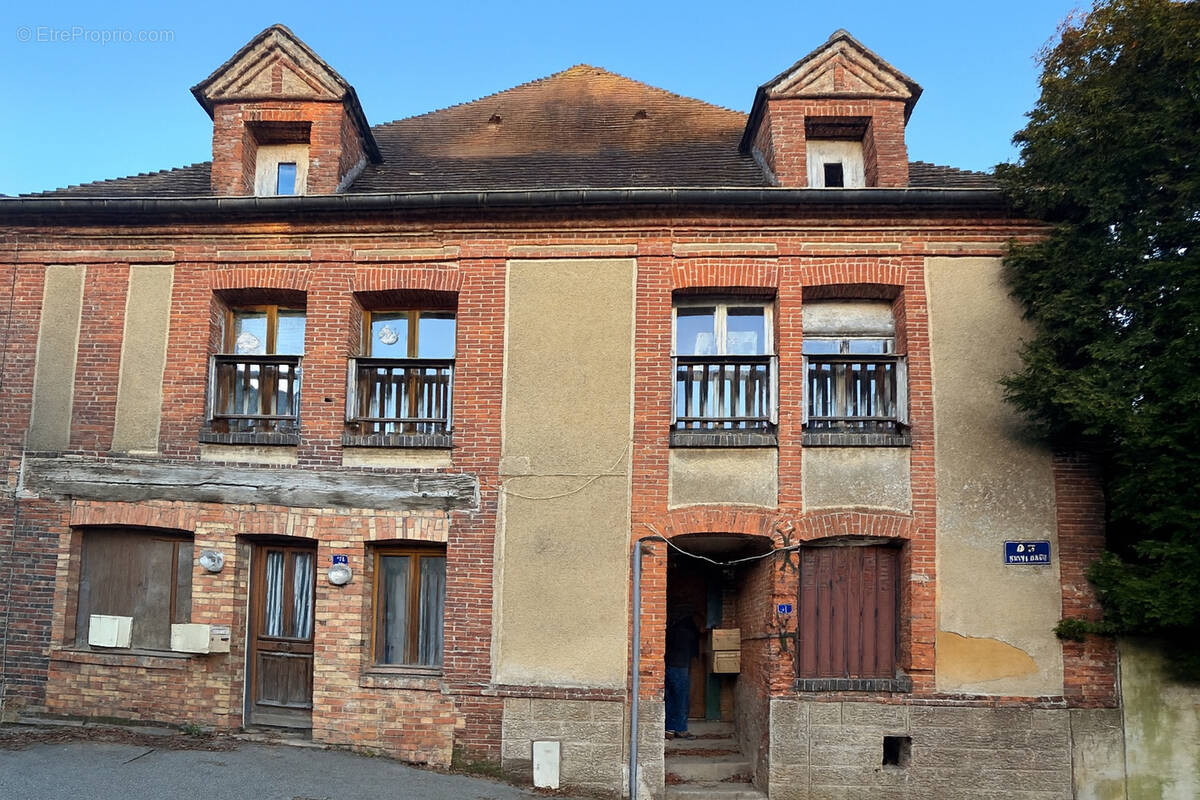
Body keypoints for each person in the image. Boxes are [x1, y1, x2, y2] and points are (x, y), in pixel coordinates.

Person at [664, 603, 700, 739]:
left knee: (669, 698)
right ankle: (681, 729)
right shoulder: (688, 627)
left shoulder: (669, 625)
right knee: (681, 699)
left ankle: (669, 729)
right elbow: (693, 645)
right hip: (680, 666)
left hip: (666, 664)